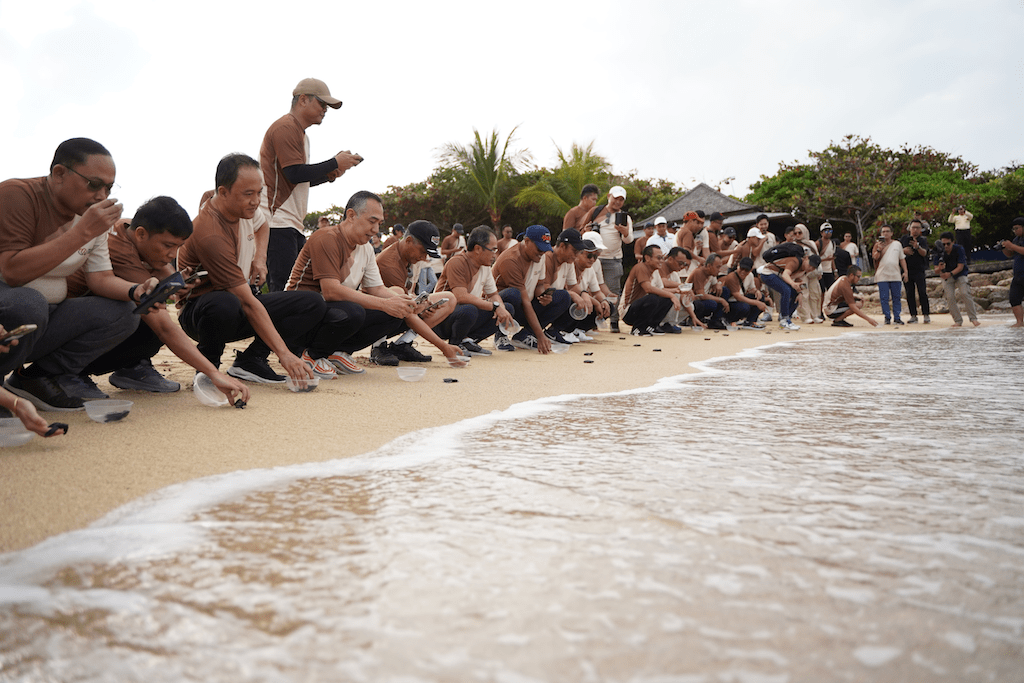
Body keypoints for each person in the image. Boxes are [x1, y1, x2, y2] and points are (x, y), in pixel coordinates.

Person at [0, 137, 151, 411]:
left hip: (44, 317)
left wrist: (134, 290)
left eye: (108, 187)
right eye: (94, 184)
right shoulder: (17, 195)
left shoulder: (90, 216)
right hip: (11, 312)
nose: (102, 196)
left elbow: (100, 278)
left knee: (127, 312)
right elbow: (12, 271)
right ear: (59, 174)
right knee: (28, 303)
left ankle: (34, 378)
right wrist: (82, 232)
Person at [66, 196, 249, 403]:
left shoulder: (128, 229)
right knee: (146, 313)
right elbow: (164, 326)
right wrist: (213, 373)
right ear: (141, 234)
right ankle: (65, 374)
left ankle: (132, 367)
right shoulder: (119, 249)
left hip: (76, 319)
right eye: (168, 246)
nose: (172, 254)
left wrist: (176, 281)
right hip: (63, 328)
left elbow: (164, 271)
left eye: (178, 247)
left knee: (149, 307)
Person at [177, 153, 324, 384]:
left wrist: (260, 258)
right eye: (248, 194)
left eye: (259, 193)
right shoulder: (211, 233)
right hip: (200, 313)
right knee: (224, 303)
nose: (256, 201)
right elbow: (247, 302)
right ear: (223, 192)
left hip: (238, 304)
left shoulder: (243, 208)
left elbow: (263, 225)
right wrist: (284, 354)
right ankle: (208, 368)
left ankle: (251, 361)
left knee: (312, 303)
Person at [286, 191, 466, 368]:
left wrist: (405, 302)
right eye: (372, 222)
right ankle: (312, 355)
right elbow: (331, 291)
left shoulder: (366, 248)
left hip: (330, 315)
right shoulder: (327, 238)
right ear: (351, 215)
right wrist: (387, 304)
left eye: (379, 223)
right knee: (363, 309)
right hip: (302, 318)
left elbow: (377, 289)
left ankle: (336, 352)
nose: (376, 230)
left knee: (396, 306)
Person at [260, 78, 361, 292]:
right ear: (303, 100)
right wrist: (334, 162)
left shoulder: (299, 133)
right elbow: (294, 173)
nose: (325, 110)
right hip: (277, 221)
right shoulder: (286, 127)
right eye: (322, 104)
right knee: (286, 291)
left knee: (296, 289)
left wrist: (331, 174)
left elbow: (296, 180)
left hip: (290, 222)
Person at [373, 219, 460, 362]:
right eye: (423, 251)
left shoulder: (409, 256)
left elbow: (408, 296)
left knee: (449, 299)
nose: (424, 257)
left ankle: (403, 344)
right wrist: (444, 347)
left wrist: (423, 304)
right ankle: (378, 346)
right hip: (375, 318)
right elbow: (402, 306)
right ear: (408, 240)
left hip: (400, 307)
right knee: (399, 295)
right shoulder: (389, 263)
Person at [434, 226, 515, 355]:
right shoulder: (457, 262)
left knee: (508, 309)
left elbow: (493, 294)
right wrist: (494, 306)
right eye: (492, 250)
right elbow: (461, 297)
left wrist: (501, 308)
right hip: (440, 318)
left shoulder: (485, 267)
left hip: (464, 315)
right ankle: (456, 344)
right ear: (478, 249)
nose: (494, 255)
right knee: (470, 309)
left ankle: (469, 340)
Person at [492, 225, 569, 353]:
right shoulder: (511, 260)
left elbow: (539, 284)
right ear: (527, 241)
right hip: (501, 307)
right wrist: (540, 336)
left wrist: (543, 296)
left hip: (524, 303)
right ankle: (500, 335)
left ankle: (525, 336)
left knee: (563, 297)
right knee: (514, 294)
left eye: (545, 249)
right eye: (539, 248)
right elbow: (524, 300)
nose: (542, 252)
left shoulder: (540, 255)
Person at [588, 186, 633, 333]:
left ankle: (614, 322)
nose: (618, 202)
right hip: (594, 257)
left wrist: (625, 232)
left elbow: (629, 240)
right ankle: (591, 322)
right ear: (609, 196)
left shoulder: (626, 217)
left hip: (614, 258)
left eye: (621, 200)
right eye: (616, 198)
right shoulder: (596, 212)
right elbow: (583, 229)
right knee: (590, 289)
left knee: (613, 291)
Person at [542, 228, 590, 344]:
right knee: (566, 296)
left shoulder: (568, 262)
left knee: (581, 301)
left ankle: (553, 332)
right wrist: (573, 294)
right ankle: (532, 332)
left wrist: (584, 294)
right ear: (562, 246)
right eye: (574, 251)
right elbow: (543, 289)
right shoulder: (548, 257)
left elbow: (573, 285)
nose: (576, 256)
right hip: (542, 300)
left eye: (579, 252)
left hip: (554, 299)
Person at [620, 245, 680, 336]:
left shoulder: (655, 271)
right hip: (627, 311)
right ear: (647, 258)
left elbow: (661, 290)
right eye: (659, 258)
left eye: (662, 258)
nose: (661, 261)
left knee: (666, 298)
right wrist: (672, 295)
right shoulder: (640, 267)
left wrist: (676, 291)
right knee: (653, 298)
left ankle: (651, 326)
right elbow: (648, 288)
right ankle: (638, 328)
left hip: (641, 307)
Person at [756, 242, 816, 330]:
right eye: (810, 265)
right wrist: (793, 284)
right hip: (767, 273)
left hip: (776, 276)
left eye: (813, 268)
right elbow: (785, 275)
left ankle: (787, 319)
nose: (810, 268)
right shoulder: (795, 261)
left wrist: (800, 292)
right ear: (806, 258)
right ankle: (784, 321)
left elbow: (800, 280)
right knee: (786, 290)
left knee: (796, 295)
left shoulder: (805, 270)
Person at [933, 231, 980, 328]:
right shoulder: (938, 251)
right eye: (943, 244)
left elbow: (961, 266)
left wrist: (949, 274)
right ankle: (958, 320)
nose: (945, 246)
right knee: (949, 297)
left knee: (965, 293)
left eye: (948, 244)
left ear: (953, 242)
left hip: (959, 274)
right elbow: (936, 270)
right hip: (946, 275)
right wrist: (940, 268)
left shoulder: (959, 249)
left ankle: (973, 319)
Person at [871, 225, 909, 325]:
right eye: (883, 232)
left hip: (895, 274)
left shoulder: (897, 244)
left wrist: (905, 271)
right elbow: (875, 257)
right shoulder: (877, 245)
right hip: (882, 275)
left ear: (891, 233)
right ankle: (887, 317)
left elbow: (902, 258)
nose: (885, 233)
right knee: (884, 298)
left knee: (896, 297)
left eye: (887, 231)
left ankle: (897, 317)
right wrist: (879, 249)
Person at [719, 257, 767, 329]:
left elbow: (752, 288)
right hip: (730, 303)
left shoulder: (750, 275)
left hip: (739, 300)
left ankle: (750, 321)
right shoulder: (731, 277)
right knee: (744, 306)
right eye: (741, 268)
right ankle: (729, 319)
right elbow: (738, 297)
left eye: (746, 270)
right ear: (738, 266)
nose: (743, 272)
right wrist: (757, 303)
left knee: (760, 297)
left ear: (751, 269)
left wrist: (757, 291)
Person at [686, 253, 729, 329]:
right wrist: (721, 300)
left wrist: (718, 284)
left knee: (725, 290)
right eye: (717, 267)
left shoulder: (711, 273)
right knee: (712, 304)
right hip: (693, 300)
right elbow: (701, 295)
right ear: (709, 266)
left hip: (702, 298)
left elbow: (716, 284)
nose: (719, 270)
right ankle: (694, 319)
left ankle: (715, 321)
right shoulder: (699, 272)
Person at [900, 219, 931, 323]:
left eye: (917, 228)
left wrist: (917, 247)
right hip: (906, 269)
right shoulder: (904, 239)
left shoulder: (922, 240)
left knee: (922, 292)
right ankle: (913, 315)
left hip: (919, 269)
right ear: (909, 228)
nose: (915, 230)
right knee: (909, 293)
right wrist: (903, 251)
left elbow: (924, 253)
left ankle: (926, 314)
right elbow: (897, 251)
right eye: (913, 227)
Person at [1000, 217, 1024, 327]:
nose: (1015, 231)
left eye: (1017, 228)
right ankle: (1019, 322)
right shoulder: (1016, 240)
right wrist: (1005, 248)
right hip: (1018, 275)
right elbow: (1010, 254)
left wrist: (1012, 246)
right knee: (1014, 298)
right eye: (1013, 229)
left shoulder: (1016, 242)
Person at [817, 222, 837, 292]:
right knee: (821, 291)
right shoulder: (818, 243)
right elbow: (815, 259)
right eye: (826, 231)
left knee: (831, 290)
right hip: (820, 271)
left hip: (829, 271)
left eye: (830, 231)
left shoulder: (832, 243)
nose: (828, 233)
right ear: (822, 233)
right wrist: (826, 259)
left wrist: (835, 270)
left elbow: (832, 259)